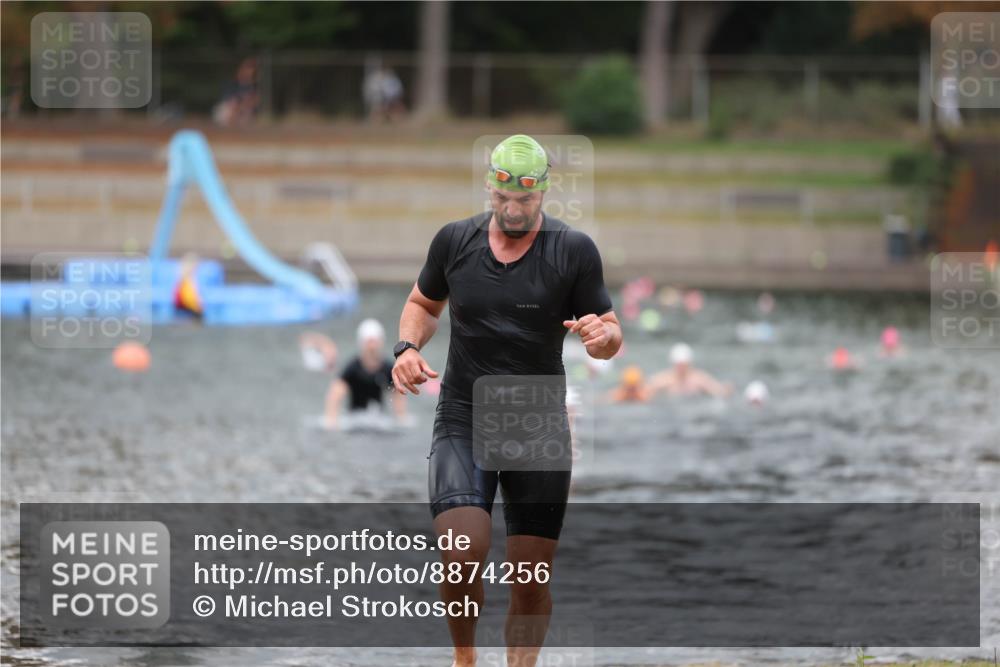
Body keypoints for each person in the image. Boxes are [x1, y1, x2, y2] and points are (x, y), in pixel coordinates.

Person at [390, 134, 622, 667]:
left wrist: (600, 338)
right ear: (489, 188)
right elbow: (422, 303)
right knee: (462, 552)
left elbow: (610, 335)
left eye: (525, 200)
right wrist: (406, 347)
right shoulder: (454, 241)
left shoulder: (573, 250)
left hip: (536, 419)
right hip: (464, 413)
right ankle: (466, 660)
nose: (512, 210)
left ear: (543, 192)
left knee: (529, 579)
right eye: (502, 199)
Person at [323, 319, 406, 429]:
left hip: (378, 420)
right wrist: (332, 422)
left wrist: (401, 420)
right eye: (369, 342)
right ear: (361, 343)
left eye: (374, 342)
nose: (372, 347)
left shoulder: (388, 368)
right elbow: (335, 395)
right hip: (354, 420)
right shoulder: (352, 368)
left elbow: (398, 395)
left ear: (381, 342)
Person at [647, 343, 732, 398]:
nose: (681, 369)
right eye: (679, 365)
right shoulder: (664, 379)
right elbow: (646, 392)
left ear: (689, 364)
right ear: (673, 364)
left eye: (684, 365)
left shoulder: (698, 379)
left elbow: (718, 391)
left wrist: (725, 390)